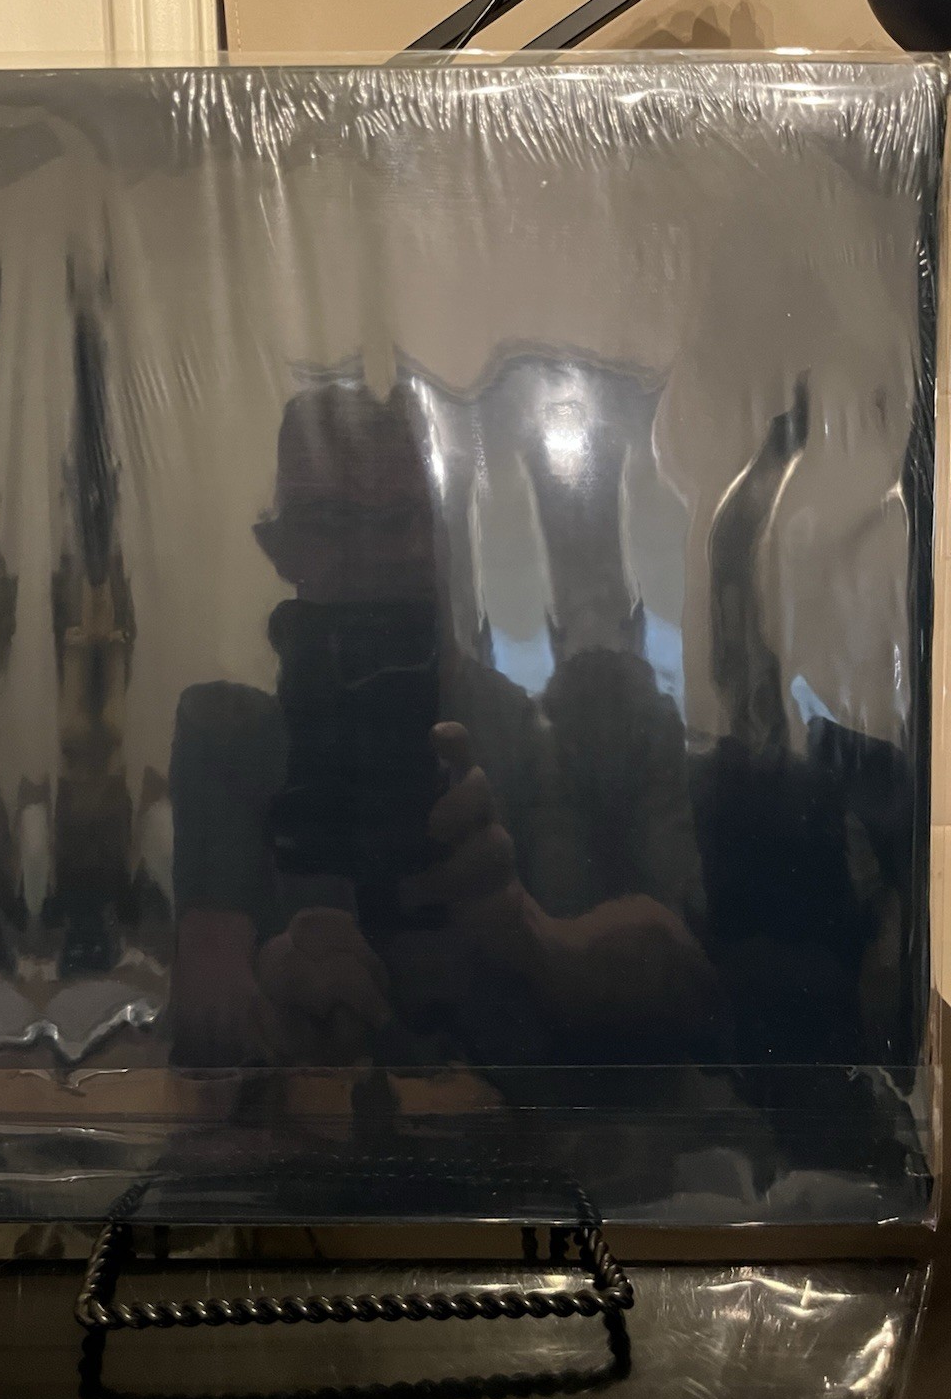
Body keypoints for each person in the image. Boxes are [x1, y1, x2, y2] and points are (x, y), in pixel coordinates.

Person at [167, 371, 721, 1070]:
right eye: (330, 522)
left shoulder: (584, 722)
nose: (373, 555)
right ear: (279, 548)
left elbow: (691, 976)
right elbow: (206, 988)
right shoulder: (228, 739)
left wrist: (527, 937)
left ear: (448, 531)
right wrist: (268, 1003)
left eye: (403, 518)